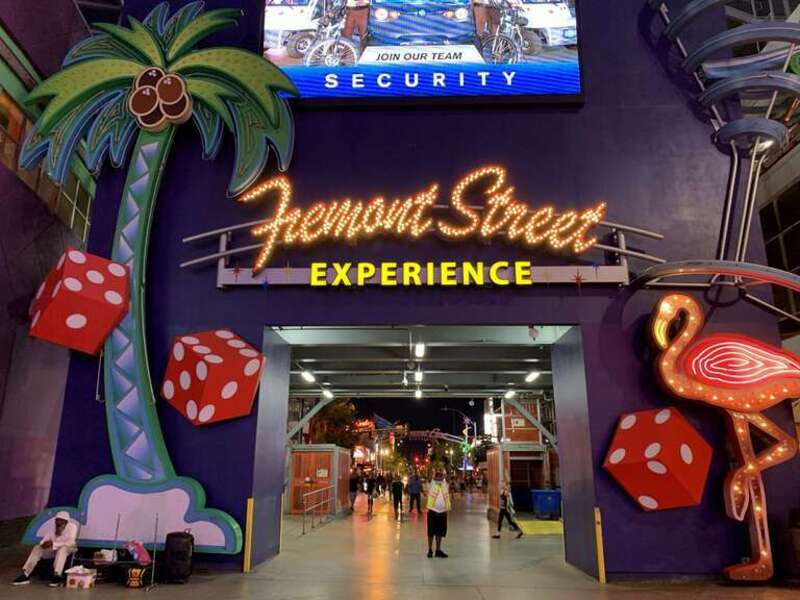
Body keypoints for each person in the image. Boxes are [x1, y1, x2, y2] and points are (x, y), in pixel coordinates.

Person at [13, 511, 77, 587]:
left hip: (67, 549)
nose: (58, 522)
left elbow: (70, 542)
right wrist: (43, 544)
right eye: (57, 520)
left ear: (66, 521)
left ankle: (57, 575)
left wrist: (53, 544)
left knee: (62, 549)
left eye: (60, 520)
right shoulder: (52, 528)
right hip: (53, 549)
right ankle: (26, 574)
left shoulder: (72, 527)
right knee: (37, 548)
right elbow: (45, 539)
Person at [426, 470, 451, 558]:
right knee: (431, 532)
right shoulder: (432, 484)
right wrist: (433, 472)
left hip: (442, 512)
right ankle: (430, 550)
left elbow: (448, 476)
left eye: (441, 476)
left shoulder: (445, 484)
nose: (439, 477)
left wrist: (445, 471)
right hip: (433, 511)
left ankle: (438, 550)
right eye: (437, 476)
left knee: (440, 533)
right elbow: (430, 476)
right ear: (434, 477)